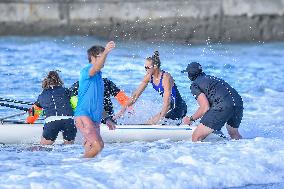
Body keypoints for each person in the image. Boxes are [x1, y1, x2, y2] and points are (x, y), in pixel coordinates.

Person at [117, 51, 187, 125]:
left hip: (178, 108)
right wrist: (121, 112)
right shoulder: (148, 77)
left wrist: (160, 121)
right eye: (145, 67)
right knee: (147, 124)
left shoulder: (166, 77)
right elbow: (135, 96)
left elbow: (167, 103)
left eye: (148, 67)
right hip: (170, 107)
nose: (146, 70)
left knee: (153, 123)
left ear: (155, 66)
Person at [182, 62, 243, 141]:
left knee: (196, 137)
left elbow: (205, 107)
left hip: (223, 105)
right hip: (238, 103)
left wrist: (190, 119)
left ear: (190, 74)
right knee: (234, 134)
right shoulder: (212, 78)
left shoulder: (195, 85)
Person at [74, 41, 115, 158]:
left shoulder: (99, 77)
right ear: (92, 57)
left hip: (95, 120)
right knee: (98, 146)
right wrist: (106, 51)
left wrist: (106, 118)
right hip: (84, 116)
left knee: (91, 148)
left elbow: (97, 102)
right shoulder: (86, 71)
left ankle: (81, 171)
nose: (104, 60)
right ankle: (75, 164)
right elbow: (96, 67)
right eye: (101, 56)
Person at [27, 71, 77, 145]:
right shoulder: (67, 91)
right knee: (69, 148)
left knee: (43, 148)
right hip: (69, 121)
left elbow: (32, 116)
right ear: (59, 81)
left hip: (52, 122)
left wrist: (29, 121)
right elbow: (76, 105)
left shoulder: (42, 95)